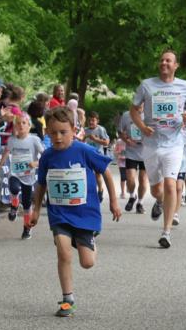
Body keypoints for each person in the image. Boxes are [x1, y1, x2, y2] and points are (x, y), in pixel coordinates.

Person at [27, 106, 121, 317]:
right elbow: (41, 184)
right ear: (47, 133)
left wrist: (113, 201)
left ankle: (89, 242)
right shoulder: (47, 156)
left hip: (85, 213)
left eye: (63, 132)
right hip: (59, 213)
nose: (58, 137)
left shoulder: (84, 150)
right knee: (63, 251)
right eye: (53, 133)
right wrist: (35, 210)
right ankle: (67, 298)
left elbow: (105, 171)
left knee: (87, 263)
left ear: (74, 129)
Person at [130, 49, 186, 248]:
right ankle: (159, 201)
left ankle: (166, 232)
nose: (164, 63)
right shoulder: (146, 85)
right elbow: (133, 109)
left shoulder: (184, 86)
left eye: (168, 60)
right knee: (156, 189)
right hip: (151, 144)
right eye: (161, 60)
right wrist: (142, 127)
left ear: (176, 65)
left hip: (174, 144)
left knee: (171, 185)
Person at [0, 114, 44, 238]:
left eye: (24, 123)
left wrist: (36, 163)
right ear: (15, 126)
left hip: (28, 177)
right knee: (14, 188)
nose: (21, 125)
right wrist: (0, 164)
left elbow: (45, 156)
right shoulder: (12, 140)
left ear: (29, 126)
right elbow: (6, 152)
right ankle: (14, 203)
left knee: (27, 203)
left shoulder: (34, 140)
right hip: (15, 173)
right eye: (18, 123)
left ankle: (26, 228)